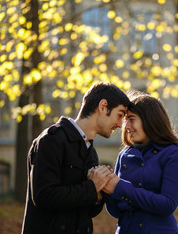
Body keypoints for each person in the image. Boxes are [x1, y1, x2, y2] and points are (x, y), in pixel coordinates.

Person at [21, 82, 130, 234]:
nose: (120, 125)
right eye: (119, 115)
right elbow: (43, 197)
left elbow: (87, 210)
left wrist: (99, 194)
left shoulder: (91, 152)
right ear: (103, 106)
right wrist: (92, 187)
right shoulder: (51, 140)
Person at [101, 91, 178, 234]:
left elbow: (167, 204)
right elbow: (117, 211)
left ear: (150, 120)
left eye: (132, 119)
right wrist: (106, 188)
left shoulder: (174, 154)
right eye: (125, 120)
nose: (127, 126)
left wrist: (120, 187)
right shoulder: (124, 155)